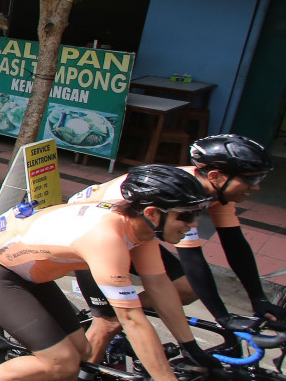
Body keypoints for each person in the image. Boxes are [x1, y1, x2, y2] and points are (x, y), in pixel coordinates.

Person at [0, 165, 217, 381]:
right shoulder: (106, 237)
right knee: (62, 363)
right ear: (152, 213)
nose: (193, 225)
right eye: (185, 215)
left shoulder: (143, 232)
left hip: (31, 273)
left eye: (198, 214)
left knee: (83, 352)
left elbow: (161, 290)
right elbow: (131, 320)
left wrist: (192, 350)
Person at [67, 133, 281, 359]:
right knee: (109, 323)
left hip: (128, 232)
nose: (256, 187)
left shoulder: (216, 191)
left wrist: (259, 299)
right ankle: (79, 374)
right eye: (251, 179)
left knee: (186, 288)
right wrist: (223, 317)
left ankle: (119, 314)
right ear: (216, 176)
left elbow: (235, 244)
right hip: (86, 233)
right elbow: (192, 259)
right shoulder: (184, 194)